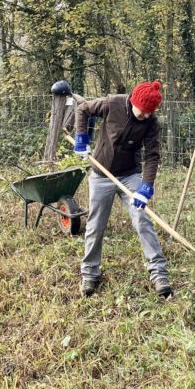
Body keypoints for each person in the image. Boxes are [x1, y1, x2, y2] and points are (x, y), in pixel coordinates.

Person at [73, 80, 173, 299]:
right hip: (101, 175)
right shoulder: (112, 104)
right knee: (95, 225)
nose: (146, 116)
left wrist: (146, 187)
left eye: (150, 112)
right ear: (133, 101)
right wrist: (81, 138)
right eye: (144, 111)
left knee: (143, 219)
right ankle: (90, 273)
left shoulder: (151, 122)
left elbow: (152, 155)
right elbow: (83, 108)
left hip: (129, 175)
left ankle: (159, 274)